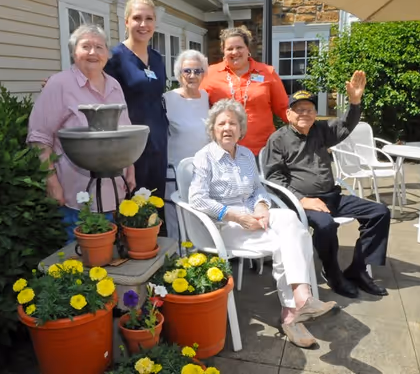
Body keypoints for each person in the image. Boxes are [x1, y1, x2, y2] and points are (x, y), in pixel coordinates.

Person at [189, 99, 337, 348]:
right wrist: (237, 216)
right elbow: (197, 199)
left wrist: (262, 208)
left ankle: (302, 298)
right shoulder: (204, 158)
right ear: (213, 128)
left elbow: (258, 188)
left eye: (233, 123)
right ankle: (292, 313)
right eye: (222, 123)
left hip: (253, 216)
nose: (228, 128)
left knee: (291, 220)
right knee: (285, 242)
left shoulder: (246, 153)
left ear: (241, 128)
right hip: (225, 225)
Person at [262, 72, 391, 299]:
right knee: (325, 226)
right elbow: (273, 178)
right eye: (299, 110)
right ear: (287, 114)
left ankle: (358, 269)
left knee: (379, 212)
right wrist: (302, 199)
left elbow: (345, 126)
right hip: (302, 202)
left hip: (332, 196)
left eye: (309, 110)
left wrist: (355, 102)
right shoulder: (278, 139)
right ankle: (332, 272)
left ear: (315, 114)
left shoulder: (321, 130)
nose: (305, 114)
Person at [27, 24, 135, 242]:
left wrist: (130, 168)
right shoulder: (59, 84)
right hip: (76, 194)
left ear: (107, 54)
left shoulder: (114, 85)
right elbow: (39, 137)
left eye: (99, 47)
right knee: (80, 259)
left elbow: (124, 132)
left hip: (114, 191)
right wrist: (51, 182)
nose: (93, 52)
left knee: (111, 254)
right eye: (86, 46)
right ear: (74, 52)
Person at [104, 0, 169, 206]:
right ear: (126, 22)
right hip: (130, 144)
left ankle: (155, 239)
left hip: (158, 140)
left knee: (155, 201)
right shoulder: (114, 58)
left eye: (149, 18)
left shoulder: (157, 59)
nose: (143, 24)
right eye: (137, 18)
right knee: (130, 203)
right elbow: (93, 85)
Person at [200, 26, 289, 158]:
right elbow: (197, 105)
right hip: (223, 151)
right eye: (229, 48)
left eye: (239, 47)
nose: (235, 52)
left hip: (262, 150)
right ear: (223, 52)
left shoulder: (267, 72)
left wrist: (307, 131)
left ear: (248, 49)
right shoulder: (210, 74)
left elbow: (284, 109)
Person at [163, 50, 210, 241]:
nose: (192, 75)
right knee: (177, 220)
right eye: (187, 70)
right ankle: (178, 262)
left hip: (203, 171)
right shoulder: (167, 99)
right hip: (175, 171)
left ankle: (202, 262)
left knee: (201, 220)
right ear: (178, 73)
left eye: (198, 71)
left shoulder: (206, 97)